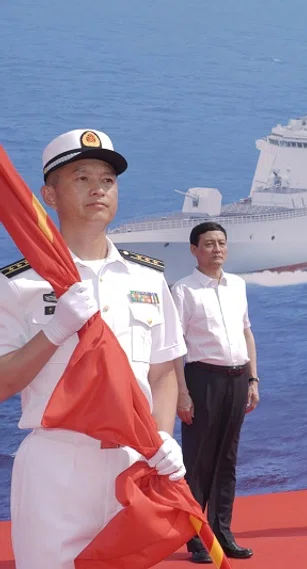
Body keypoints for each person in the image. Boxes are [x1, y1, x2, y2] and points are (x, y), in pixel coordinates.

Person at [0, 129, 187, 568]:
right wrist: (55, 330)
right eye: (81, 177)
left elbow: (162, 375)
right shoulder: (18, 284)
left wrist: (163, 437)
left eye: (107, 178)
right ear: (49, 195)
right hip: (56, 465)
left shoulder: (148, 279)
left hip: (134, 464)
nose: (98, 187)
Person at [171, 221, 260, 562]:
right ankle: (196, 539)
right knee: (199, 461)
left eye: (222, 243)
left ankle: (222, 532)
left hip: (237, 378)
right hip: (201, 379)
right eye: (209, 244)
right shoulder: (183, 290)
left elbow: (247, 333)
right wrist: (182, 393)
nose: (217, 249)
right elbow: (175, 346)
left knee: (227, 458)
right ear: (194, 250)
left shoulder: (238, 285)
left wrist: (253, 379)